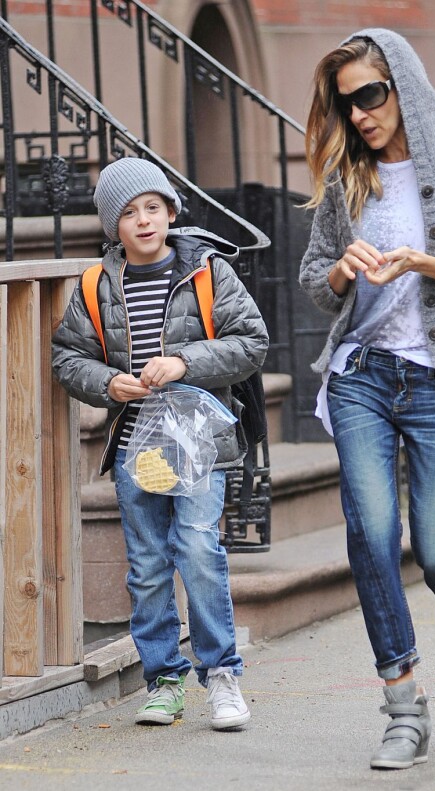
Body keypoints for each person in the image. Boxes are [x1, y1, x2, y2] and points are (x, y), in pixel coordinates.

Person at [299, 29, 435, 770]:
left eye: (372, 94)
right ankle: (402, 705)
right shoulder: (345, 178)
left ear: (404, 84)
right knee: (370, 534)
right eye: (348, 101)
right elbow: (311, 282)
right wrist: (341, 270)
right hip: (364, 374)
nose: (361, 113)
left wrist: (428, 262)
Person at [52, 157, 268, 730]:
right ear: (111, 227)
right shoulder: (97, 284)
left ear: (171, 213)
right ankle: (164, 681)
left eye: (152, 207)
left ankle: (221, 676)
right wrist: (106, 383)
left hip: (198, 440)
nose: (143, 221)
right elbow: (67, 358)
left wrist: (184, 361)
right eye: (127, 212)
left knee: (197, 549)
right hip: (137, 445)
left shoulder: (209, 272)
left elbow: (252, 341)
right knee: (148, 565)